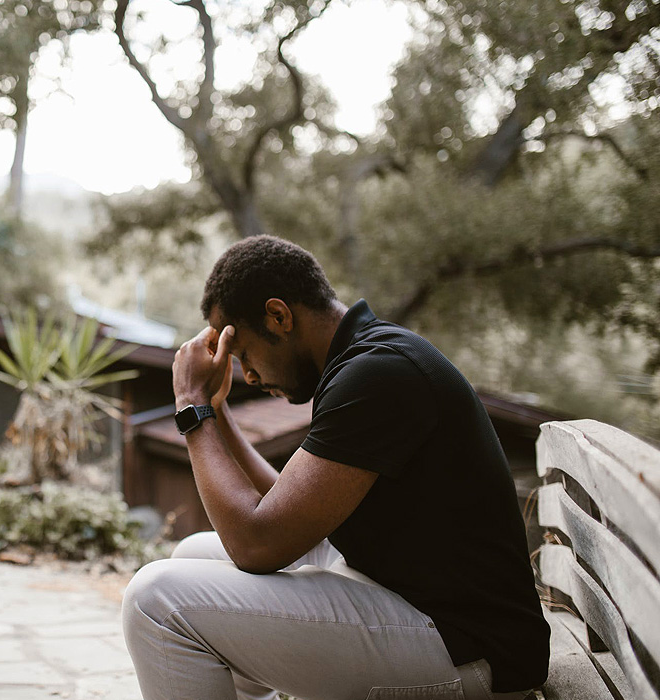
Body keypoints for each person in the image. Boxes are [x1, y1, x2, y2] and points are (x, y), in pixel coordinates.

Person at [122, 236, 548, 700]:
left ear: (278, 316)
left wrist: (191, 406)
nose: (249, 375)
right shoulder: (363, 359)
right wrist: (216, 411)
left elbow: (257, 544)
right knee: (193, 556)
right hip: (417, 605)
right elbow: (278, 512)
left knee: (156, 599)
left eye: (243, 354)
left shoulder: (378, 373)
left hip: (471, 651)